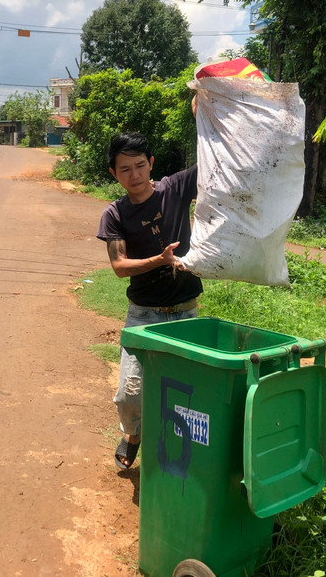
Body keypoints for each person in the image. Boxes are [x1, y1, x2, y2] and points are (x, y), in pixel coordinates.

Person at [96, 131, 203, 470]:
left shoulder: (176, 188)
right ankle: (134, 435)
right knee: (130, 394)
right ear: (114, 173)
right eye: (125, 169)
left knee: (189, 390)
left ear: (152, 163)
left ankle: (185, 451)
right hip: (143, 317)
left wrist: (203, 110)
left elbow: (216, 160)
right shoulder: (115, 214)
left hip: (185, 312)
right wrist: (161, 260)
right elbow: (119, 266)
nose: (135, 175)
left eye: (140, 165)